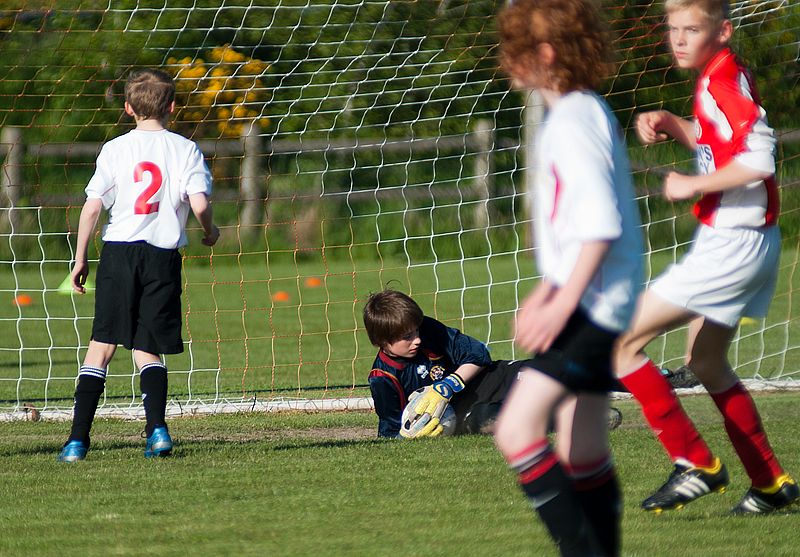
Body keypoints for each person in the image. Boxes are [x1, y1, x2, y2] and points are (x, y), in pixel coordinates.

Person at [614, 0, 799, 515]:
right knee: (706, 361)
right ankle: (770, 482)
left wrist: (692, 184)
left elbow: (759, 159)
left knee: (620, 343)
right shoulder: (723, 74)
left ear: (723, 30)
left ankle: (695, 462)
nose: (678, 39)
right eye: (673, 29)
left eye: (691, 29)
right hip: (752, 240)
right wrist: (675, 124)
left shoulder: (720, 83)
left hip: (732, 245)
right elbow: (721, 141)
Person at [492, 1, 643, 555]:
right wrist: (546, 289)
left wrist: (562, 303)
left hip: (592, 307)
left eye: (512, 48)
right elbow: (578, 231)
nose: (504, 59)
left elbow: (600, 226)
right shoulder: (585, 110)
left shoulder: (574, 122)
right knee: (583, 452)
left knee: (516, 430)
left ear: (545, 53)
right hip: (603, 299)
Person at [57, 69, 220, 462]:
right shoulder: (186, 149)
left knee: (102, 346)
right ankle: (158, 431)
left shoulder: (115, 149)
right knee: (148, 347)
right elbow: (199, 203)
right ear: (172, 107)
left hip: (119, 254)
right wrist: (209, 230)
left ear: (128, 108)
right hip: (162, 258)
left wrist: (80, 258)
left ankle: (77, 442)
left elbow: (92, 208)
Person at [362, 288, 521, 439]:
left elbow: (479, 354)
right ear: (382, 340)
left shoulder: (427, 329)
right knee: (492, 418)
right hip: (463, 413)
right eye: (407, 336)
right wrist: (408, 434)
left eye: (417, 331)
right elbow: (390, 433)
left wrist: (448, 385)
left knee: (531, 374)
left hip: (480, 383)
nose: (417, 339)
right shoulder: (383, 378)